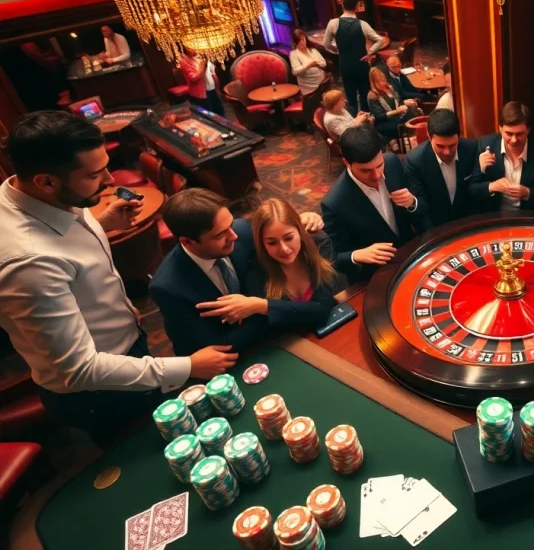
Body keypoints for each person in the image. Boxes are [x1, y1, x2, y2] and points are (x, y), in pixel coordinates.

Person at [0, 112, 237, 441]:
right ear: (46, 181)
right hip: (100, 392)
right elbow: (80, 370)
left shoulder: (31, 194)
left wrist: (103, 224)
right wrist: (187, 367)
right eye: (95, 174)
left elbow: (66, 248)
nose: (110, 179)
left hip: (126, 349)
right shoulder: (27, 264)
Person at [150, 189, 326, 357]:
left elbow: (281, 229)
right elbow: (216, 349)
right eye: (220, 235)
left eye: (230, 224)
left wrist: (307, 220)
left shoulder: (243, 231)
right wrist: (265, 312)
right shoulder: (168, 287)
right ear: (188, 242)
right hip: (230, 360)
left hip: (278, 340)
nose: (234, 236)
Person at [207, 198, 344, 330]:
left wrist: (261, 305)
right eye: (272, 242)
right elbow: (269, 328)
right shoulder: (256, 271)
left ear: (300, 231)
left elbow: (322, 308)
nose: (284, 249)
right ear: (262, 244)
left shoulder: (320, 244)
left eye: (289, 237)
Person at [321, 123, 430, 282]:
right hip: (374, 276)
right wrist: (356, 255)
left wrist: (412, 203)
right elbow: (333, 259)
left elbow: (422, 207)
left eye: (379, 165)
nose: (376, 175)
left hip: (410, 257)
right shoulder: (334, 203)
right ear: (346, 162)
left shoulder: (393, 163)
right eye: (365, 170)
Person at [469, 101, 534, 212]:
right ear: (500, 128)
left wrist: (527, 193)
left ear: (528, 130)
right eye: (508, 133)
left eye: (519, 134)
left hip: (527, 217)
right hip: (495, 216)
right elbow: (472, 190)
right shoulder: (485, 145)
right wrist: (492, 186)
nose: (514, 140)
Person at [405, 109, 477, 229]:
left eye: (452, 145)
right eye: (440, 146)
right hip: (436, 228)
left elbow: (476, 197)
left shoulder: (472, 149)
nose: (447, 152)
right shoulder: (415, 161)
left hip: (467, 224)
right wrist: (433, 237)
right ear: (429, 136)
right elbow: (422, 208)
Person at [323, 0, 387, 113]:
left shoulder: (333, 23)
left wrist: (336, 50)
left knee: (350, 98)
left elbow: (326, 44)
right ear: (357, 7)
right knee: (365, 96)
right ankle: (367, 121)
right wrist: (370, 52)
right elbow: (380, 40)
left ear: (342, 5)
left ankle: (354, 122)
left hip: (345, 65)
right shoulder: (363, 25)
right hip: (361, 65)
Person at [367, 66, 421, 146]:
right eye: (381, 81)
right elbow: (379, 116)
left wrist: (404, 103)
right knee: (404, 123)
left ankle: (415, 139)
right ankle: (402, 144)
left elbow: (399, 101)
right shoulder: (372, 96)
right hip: (384, 122)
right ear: (374, 82)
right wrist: (397, 111)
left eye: (384, 79)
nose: (384, 82)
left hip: (397, 115)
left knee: (414, 115)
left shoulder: (389, 88)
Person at [179, 48, 225, 117]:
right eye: (191, 47)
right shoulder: (185, 62)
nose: (195, 49)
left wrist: (217, 87)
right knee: (209, 116)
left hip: (212, 90)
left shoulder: (199, 55)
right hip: (201, 95)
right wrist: (202, 66)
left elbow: (212, 71)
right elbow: (193, 79)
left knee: (220, 113)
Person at [289, 29, 328, 96]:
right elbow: (295, 71)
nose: (302, 42)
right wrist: (308, 65)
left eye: (303, 39)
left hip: (322, 82)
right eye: (299, 41)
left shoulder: (313, 50)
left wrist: (316, 64)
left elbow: (324, 63)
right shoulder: (294, 54)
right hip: (309, 88)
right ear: (295, 42)